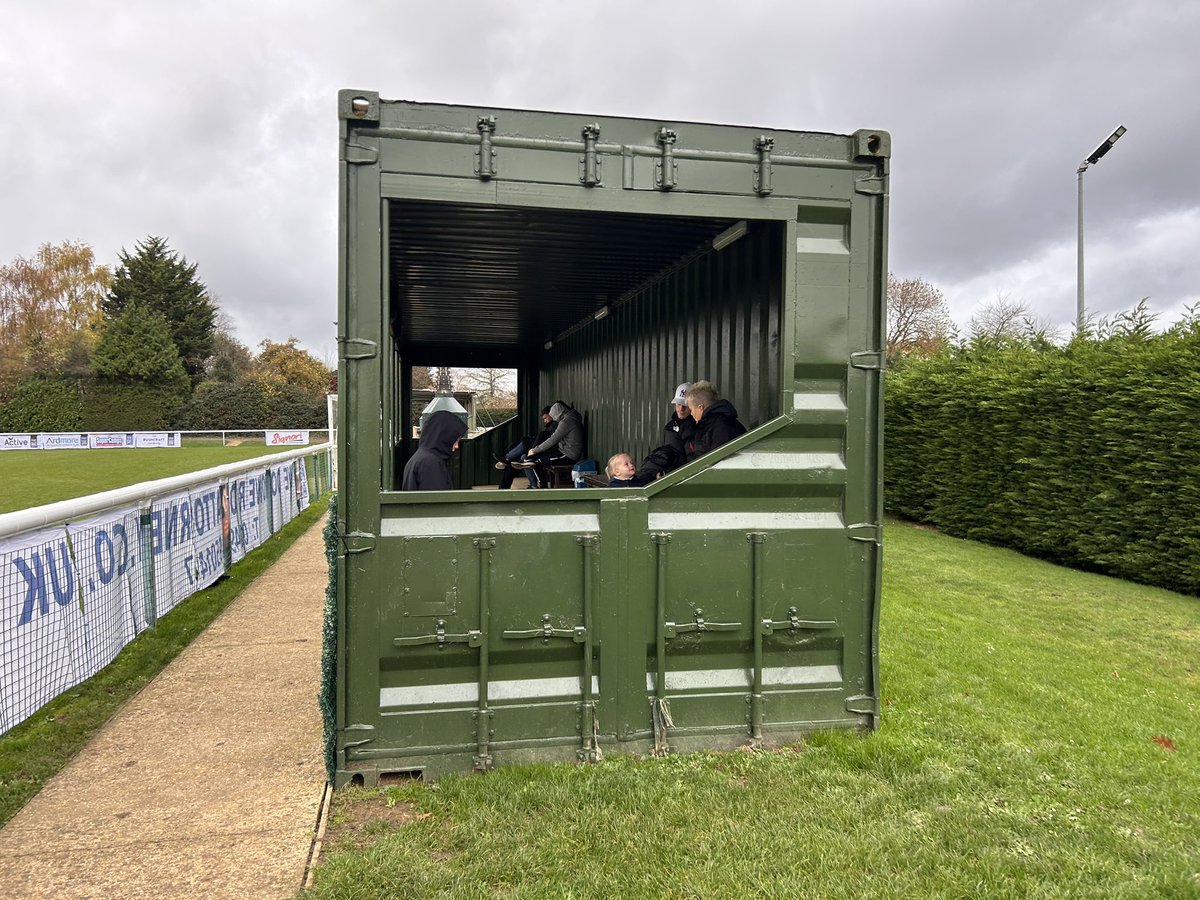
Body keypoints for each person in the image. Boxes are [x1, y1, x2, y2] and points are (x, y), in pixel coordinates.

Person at [512, 400, 585, 487]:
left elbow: (553, 439)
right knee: (532, 459)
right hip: (564, 451)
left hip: (568, 455)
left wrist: (535, 450)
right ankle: (537, 480)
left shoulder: (566, 422)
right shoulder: (571, 418)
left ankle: (543, 487)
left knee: (535, 460)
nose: (555, 420)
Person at [636, 381, 697, 482]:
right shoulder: (670, 427)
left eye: (685, 405)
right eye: (678, 404)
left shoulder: (698, 426)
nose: (681, 409)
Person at [401, 410, 467, 491]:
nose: (457, 446)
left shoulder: (422, 458)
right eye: (455, 440)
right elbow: (437, 500)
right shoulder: (431, 463)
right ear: (444, 437)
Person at [684, 381, 746, 460]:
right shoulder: (713, 424)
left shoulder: (721, 428)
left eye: (691, 409)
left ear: (700, 408)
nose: (691, 413)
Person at [495, 406, 554, 490]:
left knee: (524, 445)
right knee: (516, 451)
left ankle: (506, 459)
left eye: (546, 418)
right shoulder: (551, 426)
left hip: (546, 451)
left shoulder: (556, 425)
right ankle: (507, 460)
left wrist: (534, 449)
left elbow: (550, 441)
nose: (545, 421)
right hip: (538, 449)